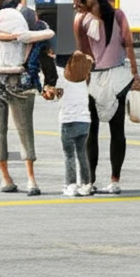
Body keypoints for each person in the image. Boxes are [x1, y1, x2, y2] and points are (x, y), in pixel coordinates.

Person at [0, 0, 56, 196]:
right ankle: (31, 180)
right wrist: (50, 80)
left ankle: (6, 178)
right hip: (18, 75)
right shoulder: (23, 14)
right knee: (25, 129)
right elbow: (37, 41)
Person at [72, 0, 140, 195]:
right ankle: (90, 179)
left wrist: (135, 75)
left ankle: (113, 179)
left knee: (115, 129)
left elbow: (128, 45)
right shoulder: (81, 20)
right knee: (91, 130)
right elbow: (81, 52)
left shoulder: (117, 16)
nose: (75, 4)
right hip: (94, 78)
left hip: (117, 77)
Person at [45, 50, 96, 197]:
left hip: (68, 121)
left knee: (69, 155)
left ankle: (71, 184)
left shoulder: (62, 79)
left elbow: (53, 96)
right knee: (82, 153)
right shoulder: (85, 79)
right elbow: (88, 59)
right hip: (85, 121)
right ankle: (86, 184)